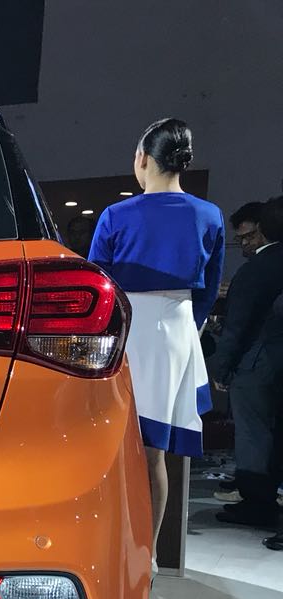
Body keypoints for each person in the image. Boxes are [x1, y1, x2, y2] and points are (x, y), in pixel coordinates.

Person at [88, 118, 224, 575]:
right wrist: (186, 328)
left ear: (142, 158)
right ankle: (145, 560)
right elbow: (208, 291)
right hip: (176, 332)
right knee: (155, 452)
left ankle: (107, 554)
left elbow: (98, 286)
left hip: (124, 330)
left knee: (106, 444)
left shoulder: (116, 215)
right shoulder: (209, 216)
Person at [207, 196, 283, 531]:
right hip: (275, 363)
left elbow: (238, 326)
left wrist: (222, 368)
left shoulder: (257, 269)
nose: (244, 244)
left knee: (253, 435)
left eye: (247, 236)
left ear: (263, 229)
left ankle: (256, 505)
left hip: (256, 364)